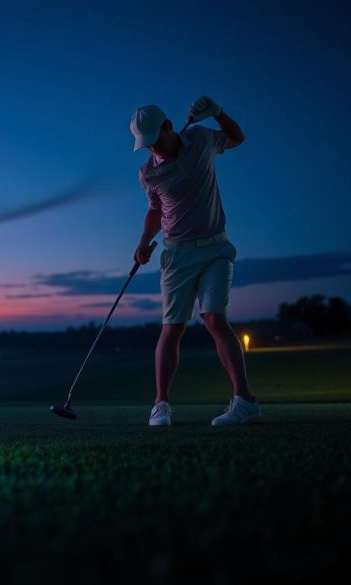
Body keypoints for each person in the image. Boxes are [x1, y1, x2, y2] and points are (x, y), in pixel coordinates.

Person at [129, 96, 261, 426]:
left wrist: (217, 112)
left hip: (217, 248)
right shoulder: (148, 174)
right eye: (147, 145)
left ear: (169, 127)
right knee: (172, 328)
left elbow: (237, 138)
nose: (153, 149)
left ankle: (244, 401)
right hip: (177, 254)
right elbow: (156, 211)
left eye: (156, 140)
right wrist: (143, 242)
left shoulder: (201, 139)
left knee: (214, 318)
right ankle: (161, 405)